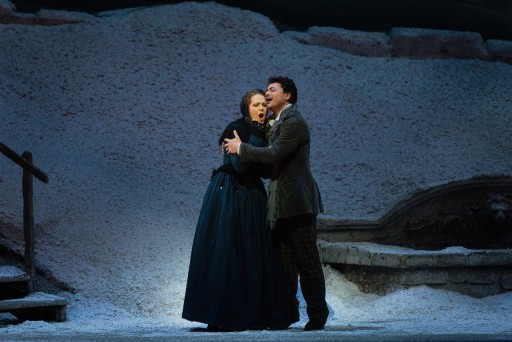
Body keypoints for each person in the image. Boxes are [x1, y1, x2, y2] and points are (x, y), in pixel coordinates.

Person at [223, 76, 329, 331]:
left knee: (307, 261)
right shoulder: (276, 122)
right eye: (266, 90)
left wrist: (242, 148)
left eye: (272, 90)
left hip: (298, 201)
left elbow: (274, 154)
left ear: (287, 96)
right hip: (280, 202)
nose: (267, 94)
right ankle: (287, 314)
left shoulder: (294, 123)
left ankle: (317, 315)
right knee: (285, 264)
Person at [182, 89, 288, 332]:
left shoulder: (263, 131)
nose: (261, 109)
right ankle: (224, 312)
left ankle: (252, 313)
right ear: (246, 107)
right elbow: (240, 167)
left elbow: (264, 170)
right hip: (230, 195)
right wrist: (250, 142)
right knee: (227, 251)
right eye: (256, 105)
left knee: (252, 254)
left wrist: (254, 145)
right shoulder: (236, 128)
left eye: (264, 105)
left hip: (252, 197)